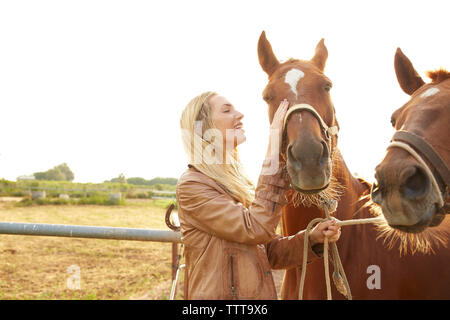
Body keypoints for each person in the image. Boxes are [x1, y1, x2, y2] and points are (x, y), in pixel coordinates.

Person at [176, 91, 341, 300]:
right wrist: (274, 143)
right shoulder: (193, 185)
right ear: (204, 126)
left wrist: (311, 239)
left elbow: (267, 252)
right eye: (227, 110)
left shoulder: (236, 184)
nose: (240, 115)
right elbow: (255, 228)